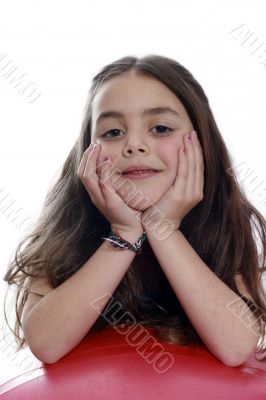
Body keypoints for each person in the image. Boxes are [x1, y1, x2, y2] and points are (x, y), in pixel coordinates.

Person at [3, 54, 266, 367]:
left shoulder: (222, 221)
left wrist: (162, 228)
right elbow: (46, 344)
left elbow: (236, 347)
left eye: (160, 128)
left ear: (201, 142)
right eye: (113, 132)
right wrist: (125, 232)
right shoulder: (67, 227)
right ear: (87, 151)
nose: (135, 145)